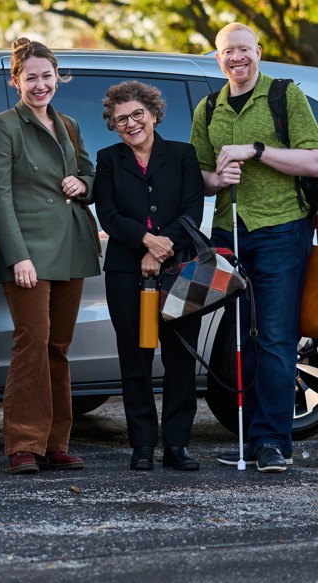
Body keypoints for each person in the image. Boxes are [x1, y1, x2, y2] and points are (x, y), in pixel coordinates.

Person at [190, 22, 318, 473]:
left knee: (278, 338)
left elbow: (314, 160)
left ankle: (272, 443)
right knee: (243, 339)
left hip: (281, 230)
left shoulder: (286, 96)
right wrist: (217, 178)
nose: (237, 58)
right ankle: (251, 439)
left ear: (258, 52)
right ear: (218, 57)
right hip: (230, 234)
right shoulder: (209, 108)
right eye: (228, 51)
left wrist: (256, 150)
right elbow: (199, 175)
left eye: (244, 49)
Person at [0, 37, 100, 474]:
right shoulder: (3, 126)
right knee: (31, 343)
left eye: (47, 76)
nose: (40, 85)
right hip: (28, 252)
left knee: (58, 347)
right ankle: (24, 444)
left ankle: (55, 443)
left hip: (71, 245)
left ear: (58, 78)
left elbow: (89, 172)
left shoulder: (68, 124)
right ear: (15, 81)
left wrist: (83, 184)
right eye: (30, 77)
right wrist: (17, 256)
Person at [94, 80, 205, 472]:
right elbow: (108, 214)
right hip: (125, 271)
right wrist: (146, 241)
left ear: (154, 114)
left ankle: (177, 445)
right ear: (114, 125)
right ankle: (142, 446)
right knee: (135, 359)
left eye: (137, 114)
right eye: (121, 118)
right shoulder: (108, 159)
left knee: (180, 359)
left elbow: (193, 210)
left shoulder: (182, 155)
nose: (131, 123)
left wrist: (161, 249)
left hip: (181, 269)